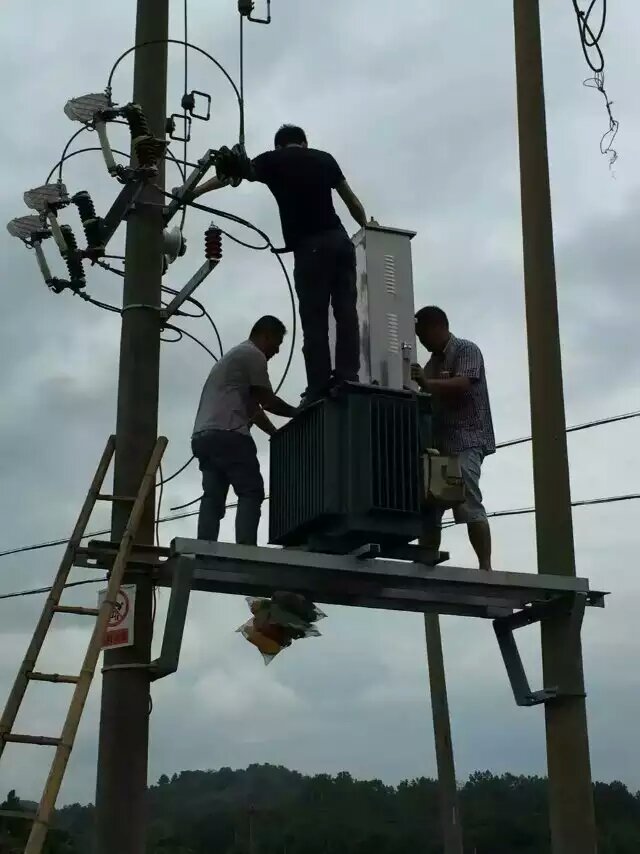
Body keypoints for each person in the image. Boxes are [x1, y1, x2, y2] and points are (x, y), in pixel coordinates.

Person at [193, 124, 369, 403]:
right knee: (346, 312)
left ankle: (318, 387)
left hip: (310, 248)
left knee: (314, 320)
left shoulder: (272, 161)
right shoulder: (325, 158)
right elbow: (351, 201)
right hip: (341, 243)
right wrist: (368, 225)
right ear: (304, 142)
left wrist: (194, 192)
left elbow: (231, 175)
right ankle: (348, 376)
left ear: (279, 146)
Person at [191, 315, 298, 546]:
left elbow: (252, 406)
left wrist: (275, 433)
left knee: (213, 496)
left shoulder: (234, 357)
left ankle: (203, 547)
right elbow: (267, 400)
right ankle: (246, 549)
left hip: (203, 436)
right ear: (265, 335)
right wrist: (298, 413)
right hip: (230, 434)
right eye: (277, 343)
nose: (277, 351)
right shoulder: (253, 355)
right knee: (251, 491)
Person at [411, 306, 495, 571]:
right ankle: (426, 563)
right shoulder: (432, 364)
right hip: (442, 444)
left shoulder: (466, 350)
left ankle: (485, 567)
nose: (422, 344)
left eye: (423, 337)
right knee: (432, 503)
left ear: (437, 327)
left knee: (468, 501)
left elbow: (463, 383)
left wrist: (427, 384)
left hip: (469, 438)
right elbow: (422, 396)